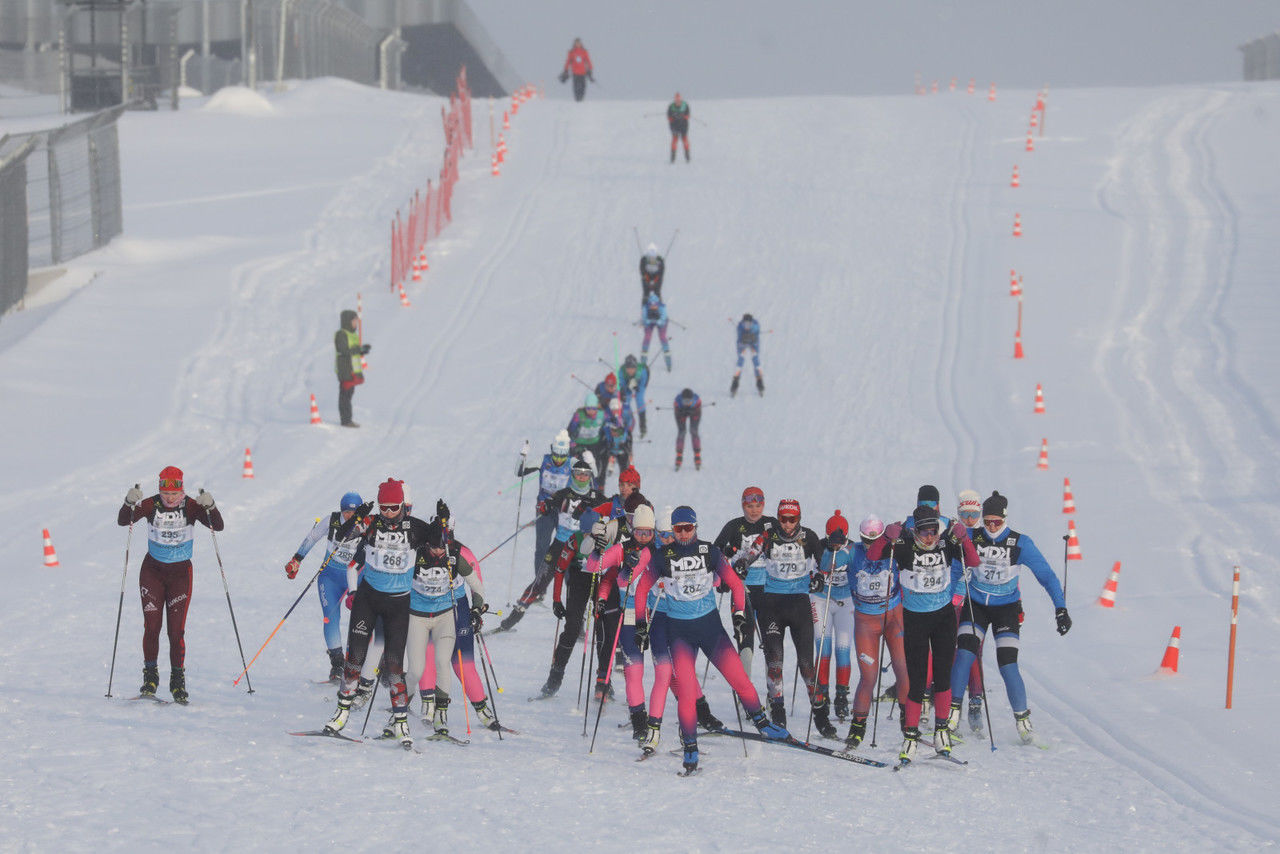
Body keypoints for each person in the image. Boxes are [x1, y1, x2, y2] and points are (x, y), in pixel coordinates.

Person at [633, 505, 790, 773]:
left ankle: (762, 722)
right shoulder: (663, 556)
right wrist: (640, 624)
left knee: (738, 678)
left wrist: (739, 614)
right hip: (679, 633)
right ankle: (690, 747)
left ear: (695, 527)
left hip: (710, 629)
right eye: (678, 529)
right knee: (685, 692)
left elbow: (736, 584)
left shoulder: (709, 552)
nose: (683, 534)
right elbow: (641, 589)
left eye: (688, 528)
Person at [947, 491, 1070, 744]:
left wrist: (1061, 608)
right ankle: (951, 716)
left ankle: (1023, 722)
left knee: (1008, 663)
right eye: (987, 521)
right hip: (977, 604)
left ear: (1005, 519)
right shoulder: (972, 536)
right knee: (965, 653)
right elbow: (954, 567)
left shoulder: (1020, 542)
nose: (991, 526)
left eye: (997, 522)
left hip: (1006, 607)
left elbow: (1046, 576)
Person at [323, 479, 433, 747]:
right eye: (383, 508)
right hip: (368, 599)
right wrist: (358, 517)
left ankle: (401, 723)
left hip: (398, 604)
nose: (388, 514)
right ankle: (341, 713)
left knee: (395, 666)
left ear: (402, 507)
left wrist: (441, 525)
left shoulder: (415, 527)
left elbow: (441, 546)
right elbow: (343, 536)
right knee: (355, 659)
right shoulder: (371, 523)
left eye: (393, 508)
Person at [867, 505, 978, 765]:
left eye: (933, 532)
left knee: (942, 676)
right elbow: (873, 557)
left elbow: (972, 561)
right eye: (924, 532)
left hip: (943, 617)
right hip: (915, 618)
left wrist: (963, 539)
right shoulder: (904, 545)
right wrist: (886, 537)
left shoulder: (946, 544)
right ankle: (911, 736)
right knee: (917, 680)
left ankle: (941, 730)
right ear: (914, 531)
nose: (930, 537)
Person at [117, 466, 223, 703]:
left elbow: (218, 526)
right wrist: (128, 502)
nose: (170, 499)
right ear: (160, 490)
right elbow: (124, 521)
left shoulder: (192, 506)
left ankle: (178, 681)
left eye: (174, 494)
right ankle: (150, 678)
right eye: (166, 494)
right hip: (152, 572)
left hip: (180, 575)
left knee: (176, 632)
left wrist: (211, 506)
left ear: (182, 491)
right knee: (151, 627)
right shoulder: (150, 504)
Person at [496, 456, 603, 633]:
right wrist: (544, 507)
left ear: (590, 476)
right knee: (540, 582)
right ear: (573, 475)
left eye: (585, 475)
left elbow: (612, 509)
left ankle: (578, 627)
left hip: (581, 550)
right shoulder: (563, 493)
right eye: (578, 474)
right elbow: (547, 504)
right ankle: (513, 617)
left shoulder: (596, 497)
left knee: (575, 588)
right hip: (560, 545)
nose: (582, 478)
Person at [406, 516, 485, 738]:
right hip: (420, 613)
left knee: (446, 661)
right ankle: (410, 709)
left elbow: (477, 585)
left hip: (449, 609)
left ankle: (442, 713)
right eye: (435, 547)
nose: (440, 552)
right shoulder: (417, 553)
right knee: (418, 666)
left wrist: (477, 610)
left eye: (444, 545)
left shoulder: (457, 553)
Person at [536, 459, 609, 696]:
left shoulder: (605, 541)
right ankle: (554, 679)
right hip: (578, 580)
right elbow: (559, 571)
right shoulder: (574, 540)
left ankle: (604, 681)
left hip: (599, 581)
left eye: (593, 532)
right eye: (586, 532)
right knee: (572, 628)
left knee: (602, 629)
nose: (590, 536)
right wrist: (557, 600)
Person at [757, 498, 824, 730]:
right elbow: (749, 553)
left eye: (792, 520)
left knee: (807, 665)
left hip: (799, 604)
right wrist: (740, 563)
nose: (787, 525)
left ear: (799, 519)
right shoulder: (767, 536)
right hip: (772, 605)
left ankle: (821, 715)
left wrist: (820, 577)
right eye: (783, 519)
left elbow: (823, 560)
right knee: (774, 662)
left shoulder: (809, 536)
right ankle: (778, 710)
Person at [844, 514, 909, 749]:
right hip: (866, 623)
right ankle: (857, 728)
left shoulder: (894, 549)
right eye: (866, 540)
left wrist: (901, 529)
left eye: (876, 539)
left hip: (894, 618)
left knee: (903, 670)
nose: (871, 545)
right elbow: (827, 560)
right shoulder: (853, 551)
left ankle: (908, 725)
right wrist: (832, 541)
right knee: (869, 677)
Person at [284, 491, 364, 681]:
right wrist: (297, 560)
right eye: (346, 511)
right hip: (330, 577)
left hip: (356, 578)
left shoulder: (367, 525)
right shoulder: (332, 520)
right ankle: (337, 665)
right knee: (330, 618)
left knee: (360, 621)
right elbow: (311, 538)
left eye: (353, 512)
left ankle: (355, 665)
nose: (349, 516)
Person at [712, 486, 777, 678]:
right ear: (743, 506)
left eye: (758, 505)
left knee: (772, 646)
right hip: (741, 590)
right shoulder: (733, 526)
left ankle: (774, 696)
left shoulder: (772, 524)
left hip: (768, 591)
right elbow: (716, 553)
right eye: (750, 506)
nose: (754, 510)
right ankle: (746, 697)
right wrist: (722, 577)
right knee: (745, 645)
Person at [812, 511, 855, 737]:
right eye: (832, 540)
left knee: (844, 649)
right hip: (822, 599)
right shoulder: (821, 546)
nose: (837, 545)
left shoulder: (853, 548)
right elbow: (818, 568)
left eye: (840, 541)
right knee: (823, 647)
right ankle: (823, 695)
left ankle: (841, 695)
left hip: (846, 600)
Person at [951, 489, 987, 732]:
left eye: (974, 514)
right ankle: (951, 702)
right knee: (954, 651)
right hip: (953, 600)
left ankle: (975, 700)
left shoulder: (986, 536)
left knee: (974, 653)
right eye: (965, 514)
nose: (970, 519)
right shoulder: (953, 533)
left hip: (975, 601)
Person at [515, 430, 573, 582]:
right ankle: (538, 587)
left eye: (562, 456)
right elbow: (519, 472)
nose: (559, 460)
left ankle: (569, 589)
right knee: (542, 547)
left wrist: (591, 462)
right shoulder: (544, 460)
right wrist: (522, 456)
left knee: (566, 549)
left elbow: (592, 473)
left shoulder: (572, 463)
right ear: (552, 450)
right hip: (544, 510)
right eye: (556, 455)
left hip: (564, 512)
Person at [334, 309, 371, 427]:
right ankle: (345, 421)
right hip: (345, 369)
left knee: (349, 394)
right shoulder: (341, 334)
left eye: (356, 320)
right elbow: (343, 350)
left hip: (352, 370)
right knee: (345, 395)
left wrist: (362, 350)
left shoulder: (353, 335)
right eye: (354, 320)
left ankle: (348, 419)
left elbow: (352, 352)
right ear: (347, 321)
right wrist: (358, 350)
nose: (356, 323)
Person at [567, 392, 609, 485]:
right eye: (588, 408)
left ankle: (595, 486)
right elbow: (570, 429)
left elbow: (607, 428)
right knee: (578, 465)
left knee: (595, 465)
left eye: (593, 408)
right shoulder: (579, 415)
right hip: (579, 443)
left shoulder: (602, 415)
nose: (591, 411)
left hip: (594, 443)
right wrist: (571, 442)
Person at [730, 313, 763, 397]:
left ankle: (759, 380)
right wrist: (745, 339)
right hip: (742, 343)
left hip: (753, 343)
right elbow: (740, 340)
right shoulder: (740, 327)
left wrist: (751, 338)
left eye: (749, 324)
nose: (747, 326)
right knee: (740, 360)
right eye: (746, 324)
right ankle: (735, 381)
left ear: (752, 323)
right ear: (743, 323)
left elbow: (756, 339)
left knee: (755, 359)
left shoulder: (756, 326)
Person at [619, 353, 650, 437]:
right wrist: (625, 389)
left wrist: (637, 386)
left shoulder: (642, 371)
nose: (630, 371)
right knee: (626, 400)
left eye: (633, 368)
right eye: (628, 368)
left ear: (636, 367)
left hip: (640, 381)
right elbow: (621, 385)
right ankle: (627, 422)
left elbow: (643, 384)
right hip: (627, 383)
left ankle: (643, 426)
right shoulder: (621, 371)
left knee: (639, 398)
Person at [641, 291, 672, 371]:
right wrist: (647, 321)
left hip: (661, 323)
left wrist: (659, 321)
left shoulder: (662, 307)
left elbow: (664, 318)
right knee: (647, 338)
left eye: (655, 307)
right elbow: (644, 319)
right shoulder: (645, 307)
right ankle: (643, 361)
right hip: (649, 322)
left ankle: (668, 361)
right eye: (651, 306)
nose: (653, 308)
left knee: (662, 337)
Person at [673, 388, 701, 471]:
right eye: (685, 401)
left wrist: (693, 411)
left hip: (695, 412)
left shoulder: (697, 401)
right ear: (682, 400)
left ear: (693, 400)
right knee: (682, 432)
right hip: (681, 412)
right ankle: (679, 454)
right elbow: (677, 412)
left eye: (689, 401)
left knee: (694, 431)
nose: (687, 403)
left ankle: (697, 454)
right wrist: (681, 412)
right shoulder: (677, 401)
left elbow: (698, 412)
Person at [605, 397, 634, 476]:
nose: (615, 412)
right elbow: (606, 428)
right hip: (613, 434)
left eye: (617, 410)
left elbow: (629, 423)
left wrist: (624, 440)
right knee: (610, 447)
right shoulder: (607, 413)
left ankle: (629, 458)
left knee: (627, 444)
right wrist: (609, 441)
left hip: (623, 432)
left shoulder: (625, 412)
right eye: (613, 410)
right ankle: (611, 460)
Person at [558, 37, 594, 102]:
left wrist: (590, 69)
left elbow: (588, 61)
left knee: (583, 86)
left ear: (581, 44)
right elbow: (568, 62)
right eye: (576, 43)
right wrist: (565, 70)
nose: (578, 44)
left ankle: (581, 98)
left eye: (579, 43)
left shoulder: (584, 52)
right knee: (576, 86)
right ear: (574, 44)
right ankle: (577, 98)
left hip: (583, 72)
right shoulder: (571, 52)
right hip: (575, 72)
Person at [666, 93, 691, 163]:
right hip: (674, 125)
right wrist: (673, 117)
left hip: (683, 125)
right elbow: (669, 117)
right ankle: (672, 158)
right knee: (675, 140)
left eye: (679, 100)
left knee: (684, 139)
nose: (678, 102)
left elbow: (688, 115)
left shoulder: (685, 106)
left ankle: (687, 156)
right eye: (676, 100)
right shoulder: (671, 106)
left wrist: (682, 116)